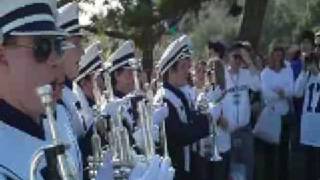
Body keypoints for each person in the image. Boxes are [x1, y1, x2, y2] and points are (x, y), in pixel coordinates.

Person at [0, 0, 82, 179]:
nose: (57, 60)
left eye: (58, 46)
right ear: (2, 56)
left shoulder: (53, 125)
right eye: (42, 47)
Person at [154, 35, 210, 180]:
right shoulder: (163, 98)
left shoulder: (180, 94)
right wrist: (205, 122)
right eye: (183, 66)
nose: (188, 71)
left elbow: (191, 121)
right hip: (176, 171)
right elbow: (179, 134)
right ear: (170, 71)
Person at [223, 43, 260, 180]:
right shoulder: (223, 76)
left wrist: (249, 62)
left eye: (241, 57)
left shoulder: (246, 74)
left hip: (245, 129)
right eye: (235, 57)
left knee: (247, 166)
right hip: (229, 130)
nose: (238, 60)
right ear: (228, 57)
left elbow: (258, 86)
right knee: (231, 168)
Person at [260, 46, 294, 180]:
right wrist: (279, 93)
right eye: (275, 55)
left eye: (280, 55)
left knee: (284, 152)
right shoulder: (265, 73)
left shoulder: (288, 70)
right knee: (269, 151)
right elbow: (266, 94)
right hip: (270, 114)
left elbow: (291, 89)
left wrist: (284, 92)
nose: (278, 58)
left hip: (284, 114)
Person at [295, 52, 320, 180]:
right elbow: (297, 92)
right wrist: (304, 71)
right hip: (308, 128)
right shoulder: (307, 76)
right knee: (307, 168)